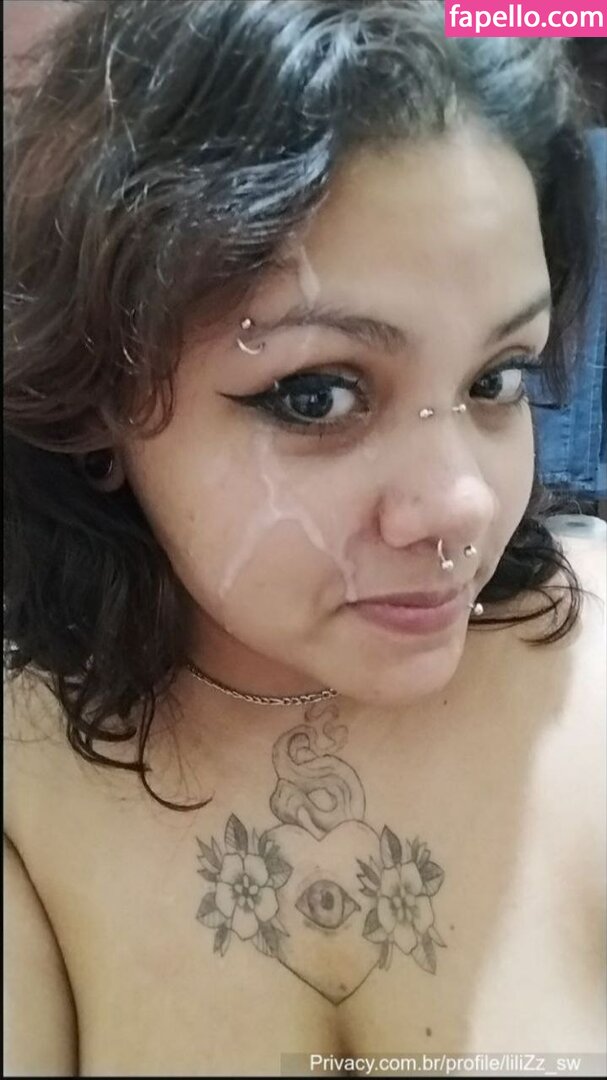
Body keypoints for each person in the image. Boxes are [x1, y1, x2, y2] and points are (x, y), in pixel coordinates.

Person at [4, 1, 606, 1075]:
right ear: (98, 403)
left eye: (496, 380)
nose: (464, 503)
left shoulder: (592, 681)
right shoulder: (26, 788)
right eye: (317, 395)